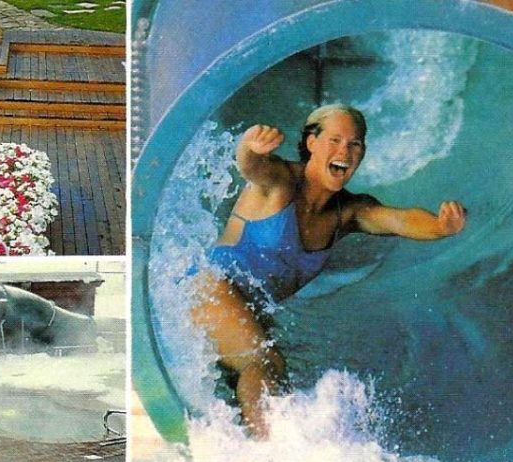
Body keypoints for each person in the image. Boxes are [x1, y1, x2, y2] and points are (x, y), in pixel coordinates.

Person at [190, 104, 467, 438]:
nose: (344, 152)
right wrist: (250, 144)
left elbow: (400, 219)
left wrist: (440, 227)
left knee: (268, 381)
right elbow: (252, 166)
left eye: (355, 145)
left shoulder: (348, 211)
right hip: (211, 287)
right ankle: (266, 454)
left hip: (249, 307)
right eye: (335, 140)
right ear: (311, 143)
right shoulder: (280, 181)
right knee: (264, 363)